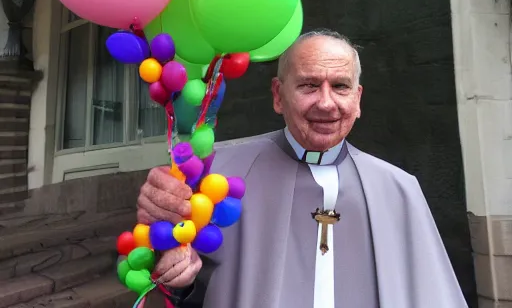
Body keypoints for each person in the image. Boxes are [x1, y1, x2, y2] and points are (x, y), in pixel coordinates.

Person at [137, 29, 468, 308]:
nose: (326, 103)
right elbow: (174, 281)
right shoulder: (216, 174)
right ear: (278, 96)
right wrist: (170, 262)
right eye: (309, 85)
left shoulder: (399, 189)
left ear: (358, 99)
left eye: (340, 86)